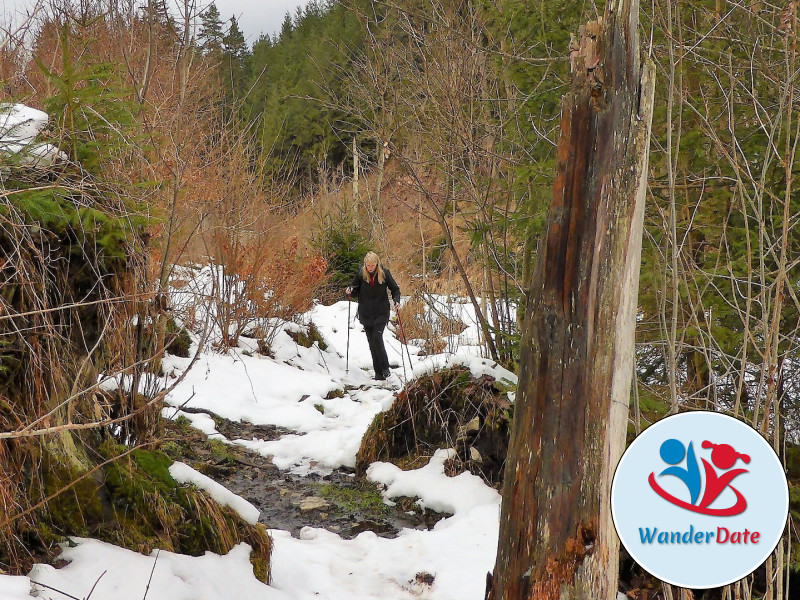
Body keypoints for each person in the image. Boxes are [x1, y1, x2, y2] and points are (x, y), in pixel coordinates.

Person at [346, 251, 401, 380]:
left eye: (372, 265)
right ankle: (378, 373)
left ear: (377, 264)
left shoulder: (384, 273)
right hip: (366, 312)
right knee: (371, 342)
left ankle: (385, 367)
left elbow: (395, 289)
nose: (370, 268)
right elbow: (354, 289)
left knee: (377, 336)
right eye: (368, 265)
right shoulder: (361, 273)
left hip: (381, 312)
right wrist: (350, 290)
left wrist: (396, 300)